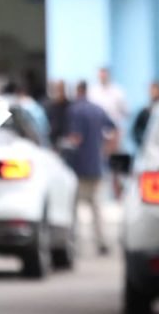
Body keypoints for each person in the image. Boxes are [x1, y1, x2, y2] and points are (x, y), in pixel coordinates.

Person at [68, 81, 116, 255]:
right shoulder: (98, 109)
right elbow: (113, 128)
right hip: (96, 164)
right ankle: (102, 241)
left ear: (78, 91)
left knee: (73, 207)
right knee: (97, 207)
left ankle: (72, 241)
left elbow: (76, 137)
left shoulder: (76, 110)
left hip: (79, 166)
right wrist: (109, 149)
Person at [131, 80, 159, 148]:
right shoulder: (144, 112)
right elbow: (135, 131)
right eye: (151, 90)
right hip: (148, 148)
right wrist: (143, 142)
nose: (153, 92)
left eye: (155, 90)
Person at [45, 79, 72, 149]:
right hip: (54, 140)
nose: (59, 91)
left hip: (66, 139)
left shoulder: (69, 105)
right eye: (58, 89)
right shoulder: (50, 106)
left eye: (61, 89)